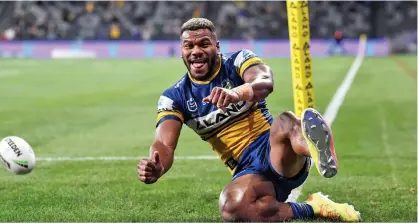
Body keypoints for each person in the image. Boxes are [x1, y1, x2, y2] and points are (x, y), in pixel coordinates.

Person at [137, 18, 361, 222]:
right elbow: (164, 144)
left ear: (217, 47)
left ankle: (313, 149)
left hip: (275, 150)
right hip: (246, 170)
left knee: (285, 121)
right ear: (182, 52)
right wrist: (158, 166)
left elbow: (265, 80)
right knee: (232, 208)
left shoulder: (238, 60)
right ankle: (313, 207)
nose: (196, 51)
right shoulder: (174, 97)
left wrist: (237, 93)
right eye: (189, 46)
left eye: (204, 44)